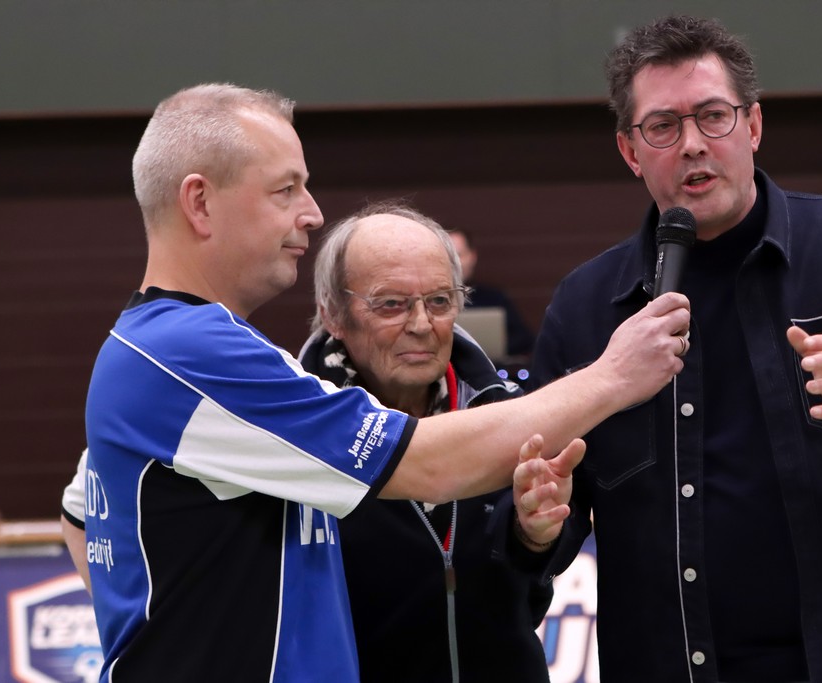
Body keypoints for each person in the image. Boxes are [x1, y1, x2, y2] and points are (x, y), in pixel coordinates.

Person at [66, 82, 691, 683]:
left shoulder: (165, 353)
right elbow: (430, 464)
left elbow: (79, 516)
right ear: (200, 202)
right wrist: (614, 376)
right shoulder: (191, 353)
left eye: (440, 300)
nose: (311, 213)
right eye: (285, 189)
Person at [525, 16, 822, 683]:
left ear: (753, 126)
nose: (692, 144)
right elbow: (547, 522)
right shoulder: (586, 309)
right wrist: (534, 527)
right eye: (662, 126)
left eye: (713, 116)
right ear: (630, 150)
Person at [295, 200, 551, 682]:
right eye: (391, 304)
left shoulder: (503, 415)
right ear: (333, 314)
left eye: (438, 301)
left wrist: (534, 538)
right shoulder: (295, 435)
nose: (420, 324)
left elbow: (529, 595)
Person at [448, 228, 535, 357]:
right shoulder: (431, 299)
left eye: (459, 255)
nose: (455, 264)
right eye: (449, 258)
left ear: (472, 256)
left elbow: (524, 340)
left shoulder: (495, 298)